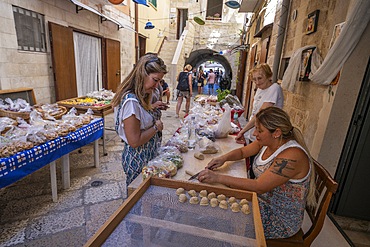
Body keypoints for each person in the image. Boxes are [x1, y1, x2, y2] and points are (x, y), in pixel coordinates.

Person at [198, 106, 316, 239]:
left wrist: (218, 178)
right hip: (260, 200)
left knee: (218, 217)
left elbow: (259, 186)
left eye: (259, 130)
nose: (254, 134)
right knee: (214, 204)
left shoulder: (292, 155)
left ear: (276, 133)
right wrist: (223, 158)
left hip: (279, 218)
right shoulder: (269, 141)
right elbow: (243, 152)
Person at [111, 54, 167, 186]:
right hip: (138, 160)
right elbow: (135, 141)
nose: (157, 85)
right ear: (142, 74)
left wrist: (151, 108)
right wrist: (156, 128)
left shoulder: (139, 96)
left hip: (145, 157)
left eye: (159, 81)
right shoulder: (131, 101)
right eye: (155, 80)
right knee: (136, 199)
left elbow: (139, 115)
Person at [235, 63, 284, 178]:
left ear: (269, 76)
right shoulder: (260, 90)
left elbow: (260, 114)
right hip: (257, 133)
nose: (257, 82)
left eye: (260, 78)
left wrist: (243, 131)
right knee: (251, 164)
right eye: (254, 79)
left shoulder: (274, 88)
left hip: (268, 134)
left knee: (259, 167)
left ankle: (254, 190)